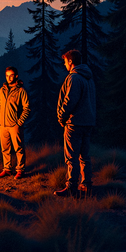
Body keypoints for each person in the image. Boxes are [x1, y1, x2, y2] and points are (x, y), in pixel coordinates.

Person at [54, 49, 96, 197]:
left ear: (70, 62)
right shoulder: (88, 77)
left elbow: (69, 101)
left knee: (71, 157)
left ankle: (71, 187)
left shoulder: (74, 78)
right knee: (84, 156)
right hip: (88, 122)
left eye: (65, 61)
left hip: (74, 123)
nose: (64, 64)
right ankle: (87, 185)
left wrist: (62, 117)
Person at [0, 66, 30, 180]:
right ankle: (7, 169)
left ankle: (20, 170)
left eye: (11, 75)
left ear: (16, 76)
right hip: (3, 124)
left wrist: (19, 122)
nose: (9, 78)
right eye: (7, 76)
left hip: (14, 125)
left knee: (18, 148)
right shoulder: (2, 89)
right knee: (5, 149)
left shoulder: (21, 90)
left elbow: (27, 108)